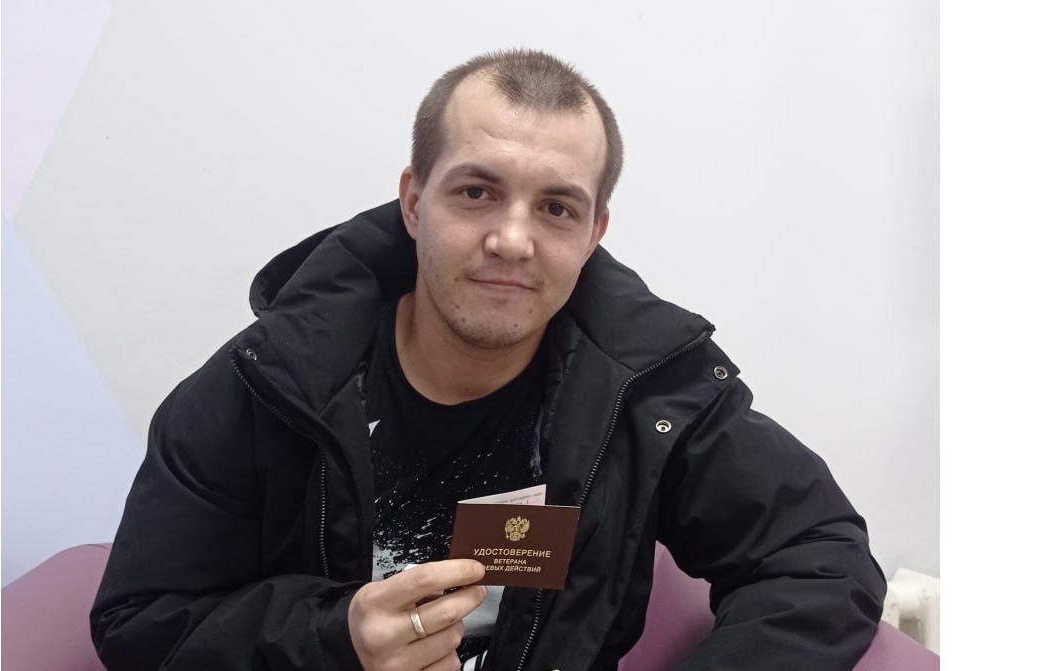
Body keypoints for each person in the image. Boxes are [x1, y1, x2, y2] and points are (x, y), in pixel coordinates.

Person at [90, 48, 886, 671]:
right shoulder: (265, 383)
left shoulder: (653, 390)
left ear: (593, 233)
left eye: (556, 207)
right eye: (476, 192)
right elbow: (142, 622)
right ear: (413, 201)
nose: (511, 239)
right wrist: (334, 637)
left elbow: (818, 558)